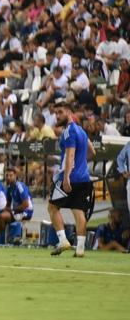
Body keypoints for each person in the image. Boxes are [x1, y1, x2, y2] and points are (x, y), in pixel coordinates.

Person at [48, 100, 94, 258]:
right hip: (84, 178)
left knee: (52, 208)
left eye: (60, 112)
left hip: (69, 178)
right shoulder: (81, 130)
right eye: (55, 113)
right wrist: (81, 166)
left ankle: (63, 240)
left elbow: (70, 155)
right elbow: (92, 152)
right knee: (79, 211)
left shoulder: (68, 131)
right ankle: (80, 249)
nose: (57, 115)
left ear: (68, 111)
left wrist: (67, 176)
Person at [0, 166, 33, 234]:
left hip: (26, 212)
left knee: (3, 216)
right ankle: (0, 237)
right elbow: (8, 204)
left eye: (11, 175)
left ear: (15, 176)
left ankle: (2, 239)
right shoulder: (9, 188)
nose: (8, 177)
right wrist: (4, 209)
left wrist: (12, 209)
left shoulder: (20, 186)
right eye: (7, 175)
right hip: (17, 211)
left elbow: (26, 205)